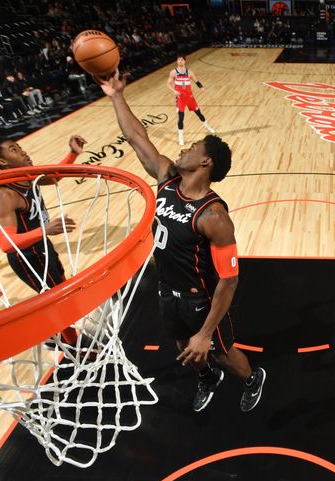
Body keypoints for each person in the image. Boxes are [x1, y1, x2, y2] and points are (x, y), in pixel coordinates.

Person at [97, 69, 266, 413]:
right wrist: (116, 96)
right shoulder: (166, 178)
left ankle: (252, 379)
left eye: (192, 147)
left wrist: (206, 332)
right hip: (166, 290)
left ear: (205, 162)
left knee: (219, 351)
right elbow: (136, 137)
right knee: (182, 346)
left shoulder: (214, 216)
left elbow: (229, 280)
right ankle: (208, 378)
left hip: (199, 299)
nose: (183, 148)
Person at [0, 135, 86, 344]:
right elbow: (5, 244)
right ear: (2, 162)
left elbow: (54, 177)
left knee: (60, 295)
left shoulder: (26, 175)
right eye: (13, 149)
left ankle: (66, 335)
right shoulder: (5, 195)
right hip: (27, 257)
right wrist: (44, 230)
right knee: (60, 301)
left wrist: (73, 153)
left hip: (41, 246)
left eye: (19, 147)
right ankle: (74, 346)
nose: (22, 151)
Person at [167, 55, 215, 146]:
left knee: (199, 113)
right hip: (180, 98)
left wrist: (201, 87)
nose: (180, 61)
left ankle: (208, 127)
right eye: (178, 60)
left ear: (184, 61)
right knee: (181, 118)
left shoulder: (189, 72)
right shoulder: (173, 72)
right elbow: (168, 84)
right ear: (177, 61)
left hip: (190, 97)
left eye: (182, 60)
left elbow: (196, 81)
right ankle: (181, 137)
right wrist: (174, 91)